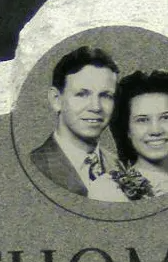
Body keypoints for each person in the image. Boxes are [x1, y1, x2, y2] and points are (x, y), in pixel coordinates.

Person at [29, 46, 120, 196]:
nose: (96, 107)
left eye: (106, 95)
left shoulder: (120, 166)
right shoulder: (35, 165)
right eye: (82, 94)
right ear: (56, 100)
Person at [100, 70, 168, 201]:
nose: (155, 130)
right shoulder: (107, 189)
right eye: (142, 120)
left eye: (166, 117)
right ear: (127, 129)